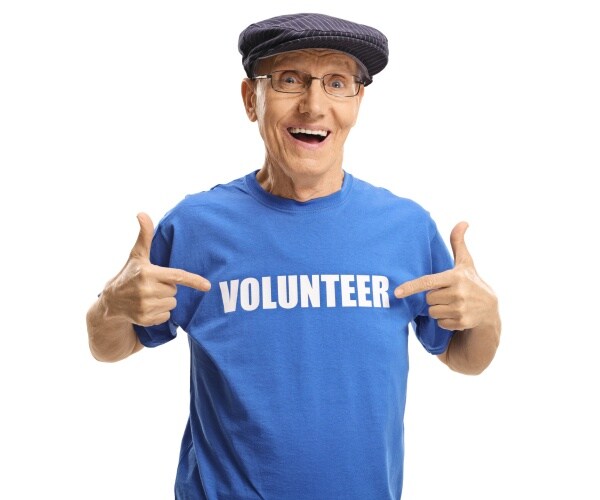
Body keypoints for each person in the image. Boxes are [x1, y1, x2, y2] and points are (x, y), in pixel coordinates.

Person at [86, 12, 501, 500]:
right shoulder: (196, 226)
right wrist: (111, 306)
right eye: (289, 80)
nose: (314, 105)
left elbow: (464, 356)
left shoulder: (405, 228)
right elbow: (111, 346)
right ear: (250, 99)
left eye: (337, 83)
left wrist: (488, 314)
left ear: (358, 101)